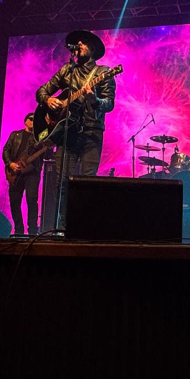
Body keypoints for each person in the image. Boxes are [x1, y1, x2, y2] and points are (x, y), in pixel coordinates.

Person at [36, 30, 116, 230]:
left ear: (93, 49)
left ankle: (82, 227)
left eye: (84, 42)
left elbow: (109, 104)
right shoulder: (66, 70)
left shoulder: (104, 72)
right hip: (66, 133)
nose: (79, 43)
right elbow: (42, 91)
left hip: (91, 132)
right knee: (62, 183)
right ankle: (62, 229)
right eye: (77, 42)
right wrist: (48, 100)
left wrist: (94, 100)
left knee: (86, 182)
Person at [2, 112, 46, 235]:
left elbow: (46, 145)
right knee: (14, 201)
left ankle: (32, 231)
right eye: (31, 119)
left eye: (35, 119)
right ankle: (18, 230)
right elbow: (6, 150)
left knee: (31, 199)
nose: (33, 121)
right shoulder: (15, 135)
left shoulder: (40, 136)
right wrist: (10, 164)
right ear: (25, 121)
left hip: (32, 172)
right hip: (15, 172)